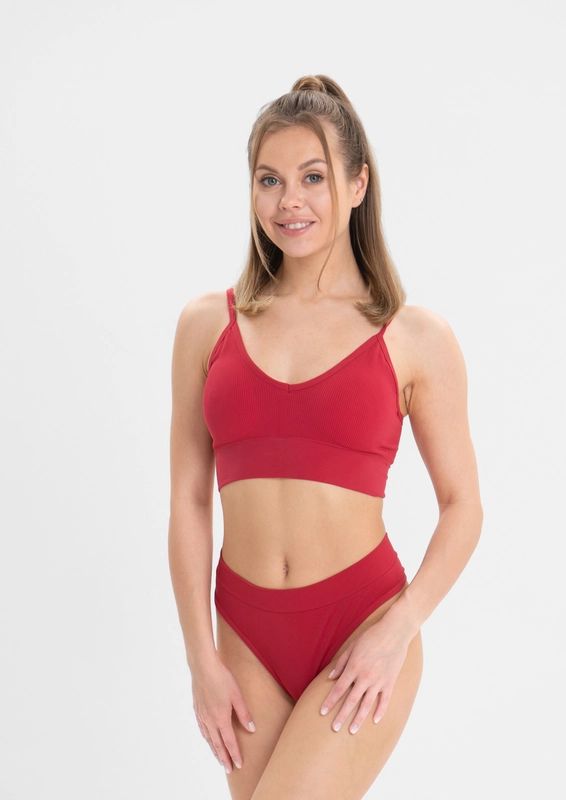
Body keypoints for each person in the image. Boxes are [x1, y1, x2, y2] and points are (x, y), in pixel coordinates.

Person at [168, 74, 483, 800]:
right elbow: (189, 500)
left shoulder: (414, 336)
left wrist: (398, 630)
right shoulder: (206, 326)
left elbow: (464, 505)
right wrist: (200, 659)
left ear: (358, 184)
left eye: (313, 177)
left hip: (360, 624)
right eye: (269, 179)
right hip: (242, 631)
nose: (290, 201)